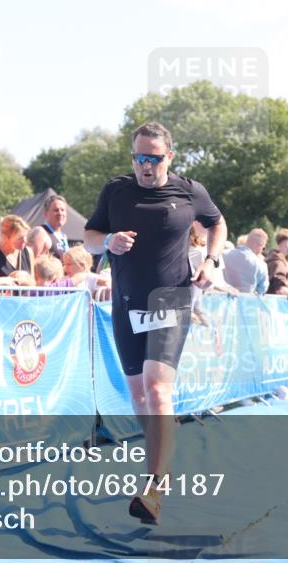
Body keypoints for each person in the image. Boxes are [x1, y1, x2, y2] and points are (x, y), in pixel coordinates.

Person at [84, 121, 226, 525]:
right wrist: (107, 242)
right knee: (140, 398)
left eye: (154, 158)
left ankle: (153, 488)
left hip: (171, 297)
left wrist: (212, 262)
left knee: (157, 388)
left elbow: (217, 222)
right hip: (127, 303)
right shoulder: (116, 190)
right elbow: (90, 234)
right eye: (139, 158)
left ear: (170, 157)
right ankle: (156, 470)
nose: (146, 166)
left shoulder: (189, 190)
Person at [222, 228, 270, 294]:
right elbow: (262, 289)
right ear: (260, 245)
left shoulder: (223, 255)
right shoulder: (261, 265)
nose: (262, 251)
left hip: (222, 300)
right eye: (263, 248)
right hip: (246, 302)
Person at [41, 194, 70, 259]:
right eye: (56, 210)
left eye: (62, 210)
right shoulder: (41, 233)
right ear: (46, 214)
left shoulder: (63, 236)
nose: (60, 213)